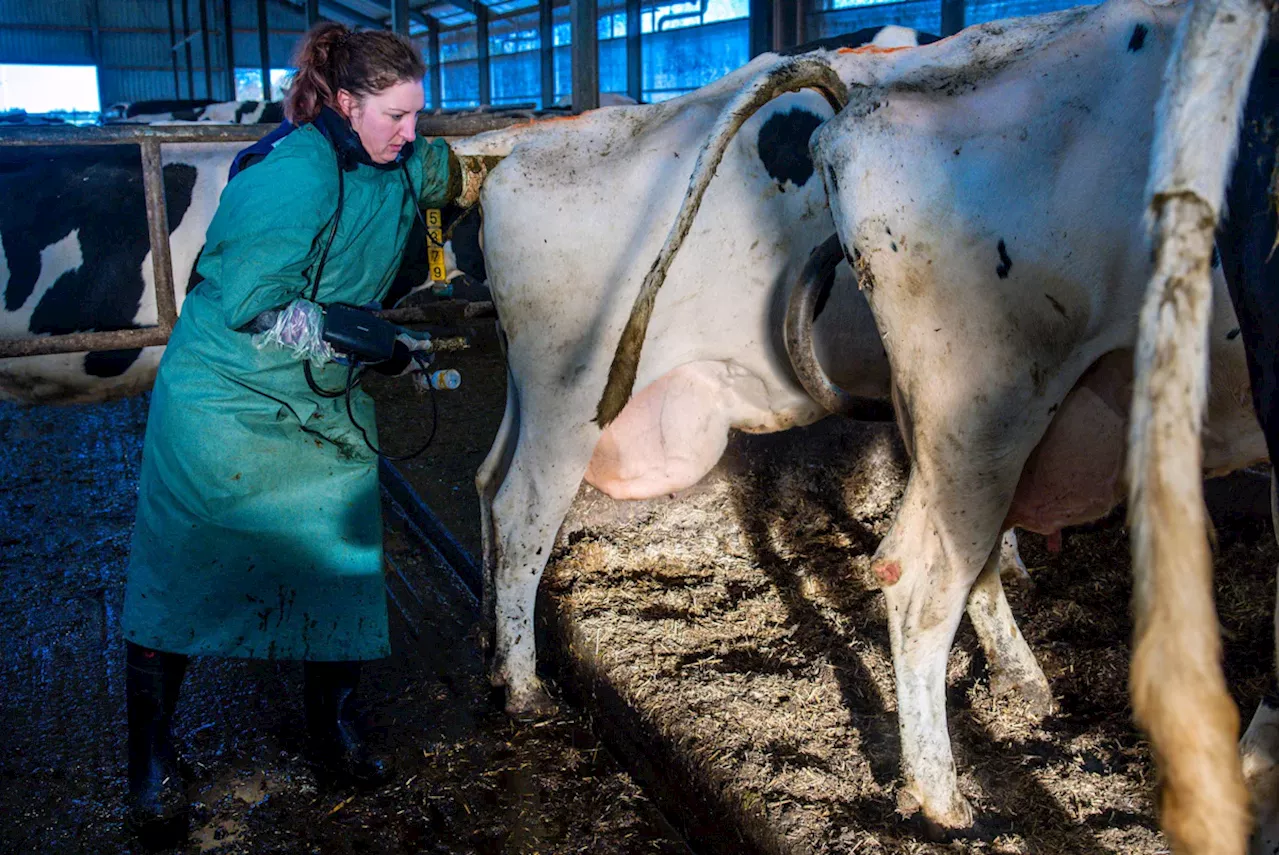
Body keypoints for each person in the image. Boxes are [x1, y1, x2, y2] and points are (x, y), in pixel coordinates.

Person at [119, 22, 474, 841]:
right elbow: (249, 301)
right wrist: (356, 336)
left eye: (420, 114)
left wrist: (490, 165)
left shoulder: (403, 160)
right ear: (346, 104)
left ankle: (334, 730)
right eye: (395, 115)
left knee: (342, 554)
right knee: (183, 570)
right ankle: (148, 758)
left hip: (317, 400)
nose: (412, 131)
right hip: (227, 394)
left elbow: (450, 170)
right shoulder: (293, 174)